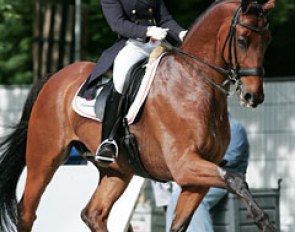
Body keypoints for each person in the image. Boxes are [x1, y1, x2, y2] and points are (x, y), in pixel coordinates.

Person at [84, 0, 187, 166]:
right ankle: (108, 140)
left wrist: (181, 33)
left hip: (158, 45)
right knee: (121, 80)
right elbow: (117, 24)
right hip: (134, 45)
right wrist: (147, 30)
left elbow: (165, 19)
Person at [164, 115, 249, 231]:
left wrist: (201, 165)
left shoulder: (234, 128)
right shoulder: (208, 130)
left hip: (226, 180)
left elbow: (228, 160)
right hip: (204, 177)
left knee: (196, 199)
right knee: (177, 195)